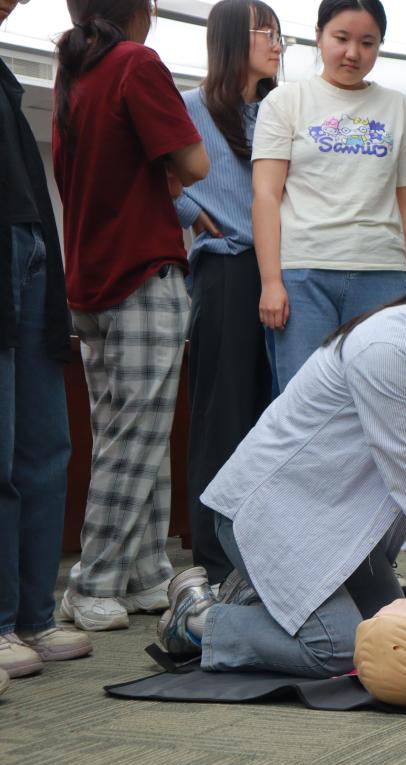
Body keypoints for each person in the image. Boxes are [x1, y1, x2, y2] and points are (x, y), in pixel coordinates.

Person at [156, 246, 406, 677]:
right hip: (270, 511)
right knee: (340, 648)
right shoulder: (391, 346)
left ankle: (257, 595)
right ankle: (198, 621)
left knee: (392, 634)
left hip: (340, 521)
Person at [53, 0, 209, 631]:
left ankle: (144, 571)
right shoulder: (136, 62)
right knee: (135, 439)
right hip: (142, 270)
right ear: (141, 9)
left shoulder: (75, 71)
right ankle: (91, 582)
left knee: (126, 434)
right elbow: (195, 164)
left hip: (90, 278)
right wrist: (167, 171)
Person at [254, 0, 406, 389]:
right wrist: (271, 281)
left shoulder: (398, 108)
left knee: (379, 394)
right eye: (341, 38)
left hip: (382, 274)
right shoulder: (285, 101)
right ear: (318, 36)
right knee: (304, 398)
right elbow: (266, 195)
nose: (353, 53)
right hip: (303, 274)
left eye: (367, 43)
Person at [175, 0, 282, 589]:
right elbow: (150, 170)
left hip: (279, 274)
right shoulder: (189, 107)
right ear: (230, 40)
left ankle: (261, 555)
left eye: (279, 34)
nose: (276, 43)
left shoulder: (276, 112)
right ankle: (215, 562)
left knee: (272, 417)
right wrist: (191, 212)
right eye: (264, 32)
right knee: (223, 418)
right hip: (227, 271)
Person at [0, 0, 92, 680]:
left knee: (46, 447)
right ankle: (2, 621)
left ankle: (33, 614)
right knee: (0, 453)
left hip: (29, 247)